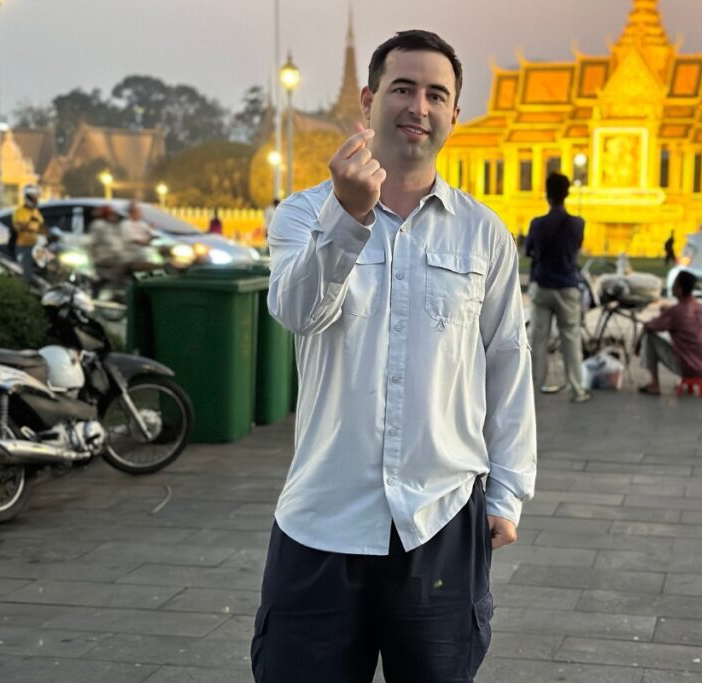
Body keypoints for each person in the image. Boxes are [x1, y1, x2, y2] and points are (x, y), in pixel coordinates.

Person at [255, 30, 535, 683]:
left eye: (437, 93)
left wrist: (509, 492)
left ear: (454, 115)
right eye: (403, 88)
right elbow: (297, 312)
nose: (419, 105)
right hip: (324, 513)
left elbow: (507, 361)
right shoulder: (303, 214)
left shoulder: (483, 232)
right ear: (369, 97)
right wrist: (349, 221)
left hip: (440, 516)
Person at [524, 172, 590, 403]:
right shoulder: (577, 224)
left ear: (547, 195)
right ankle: (577, 388)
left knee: (538, 339)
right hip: (567, 286)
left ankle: (533, 387)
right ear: (567, 194)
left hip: (542, 285)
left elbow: (529, 251)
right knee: (571, 339)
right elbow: (576, 249)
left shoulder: (537, 224)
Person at [635, 270, 702, 395]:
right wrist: (666, 313)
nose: (672, 286)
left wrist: (637, 344)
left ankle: (654, 384)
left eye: (674, 284)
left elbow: (650, 327)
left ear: (679, 289)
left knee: (650, 337)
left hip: (690, 367)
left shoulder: (676, 312)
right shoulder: (701, 308)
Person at [11, 185, 46, 280]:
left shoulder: (36, 212)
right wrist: (29, 224)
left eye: (36, 197)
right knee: (26, 273)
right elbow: (17, 227)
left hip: (37, 246)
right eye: (33, 197)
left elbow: (42, 227)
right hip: (23, 246)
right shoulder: (19, 212)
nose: (35, 200)